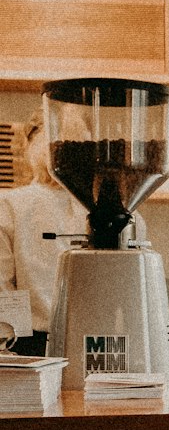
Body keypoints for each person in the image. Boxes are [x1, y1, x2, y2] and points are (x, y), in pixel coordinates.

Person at [0, 108, 88, 355]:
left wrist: (9, 349)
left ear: (30, 145)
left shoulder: (10, 205)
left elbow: (2, 288)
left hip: (31, 347)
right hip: (95, 345)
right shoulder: (107, 210)